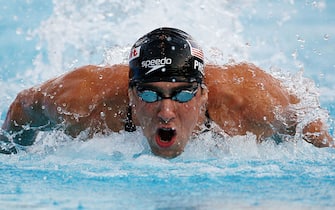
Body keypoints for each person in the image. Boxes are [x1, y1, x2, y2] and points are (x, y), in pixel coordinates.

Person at [0, 27, 333, 158]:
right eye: (149, 95)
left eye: (184, 95)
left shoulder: (251, 105)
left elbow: (307, 121)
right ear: (130, 95)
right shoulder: (82, 104)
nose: (166, 111)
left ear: (203, 94)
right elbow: (24, 105)